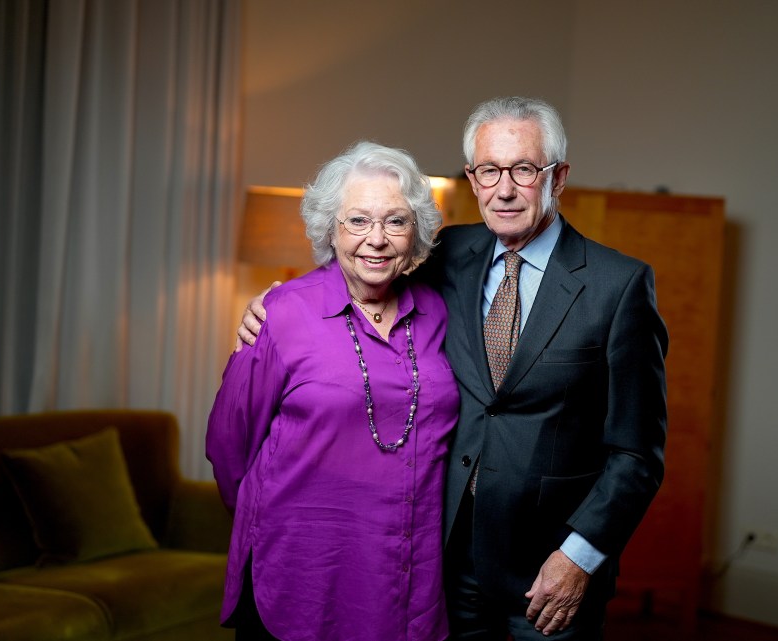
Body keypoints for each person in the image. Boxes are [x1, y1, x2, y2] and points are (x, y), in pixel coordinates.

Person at [238, 96, 668, 640]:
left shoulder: (618, 285)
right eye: (489, 170)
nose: (504, 189)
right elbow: (365, 270)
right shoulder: (447, 253)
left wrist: (580, 558)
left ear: (557, 177)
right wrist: (275, 304)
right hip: (443, 563)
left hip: (550, 576)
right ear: (471, 176)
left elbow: (637, 454)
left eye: (524, 170)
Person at [207, 141, 459, 641]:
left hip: (406, 567)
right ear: (331, 227)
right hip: (302, 568)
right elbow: (229, 445)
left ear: (417, 232)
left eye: (396, 221)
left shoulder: (438, 310)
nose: (377, 239)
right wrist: (285, 517)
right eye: (358, 221)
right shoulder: (282, 314)